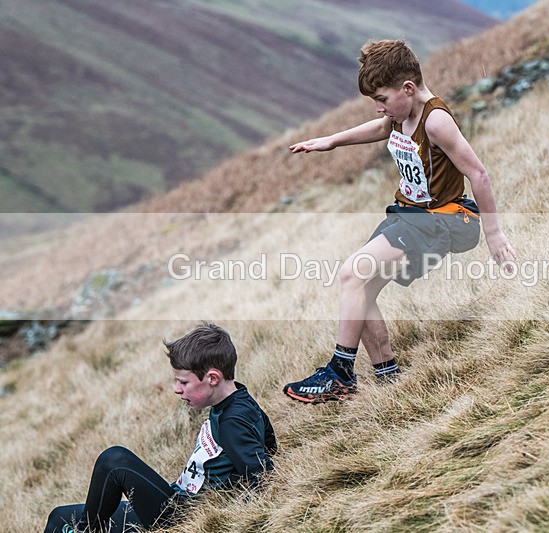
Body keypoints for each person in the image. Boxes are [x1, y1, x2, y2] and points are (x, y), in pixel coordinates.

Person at [284, 39, 516, 404]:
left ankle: (341, 372)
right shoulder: (401, 115)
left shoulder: (436, 120)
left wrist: (495, 233)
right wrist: (331, 141)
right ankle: (388, 375)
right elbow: (381, 129)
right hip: (410, 216)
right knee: (362, 291)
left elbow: (479, 174)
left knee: (352, 272)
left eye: (382, 99)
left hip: (444, 219)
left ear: (408, 88)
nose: (379, 109)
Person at [44, 323, 277, 533]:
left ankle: (87, 531)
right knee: (59, 518)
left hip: (177, 515)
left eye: (183, 382)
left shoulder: (231, 423)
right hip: (174, 498)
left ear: (212, 378)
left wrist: (231, 509)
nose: (177, 389)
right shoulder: (240, 401)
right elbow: (268, 443)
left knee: (114, 460)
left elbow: (263, 475)